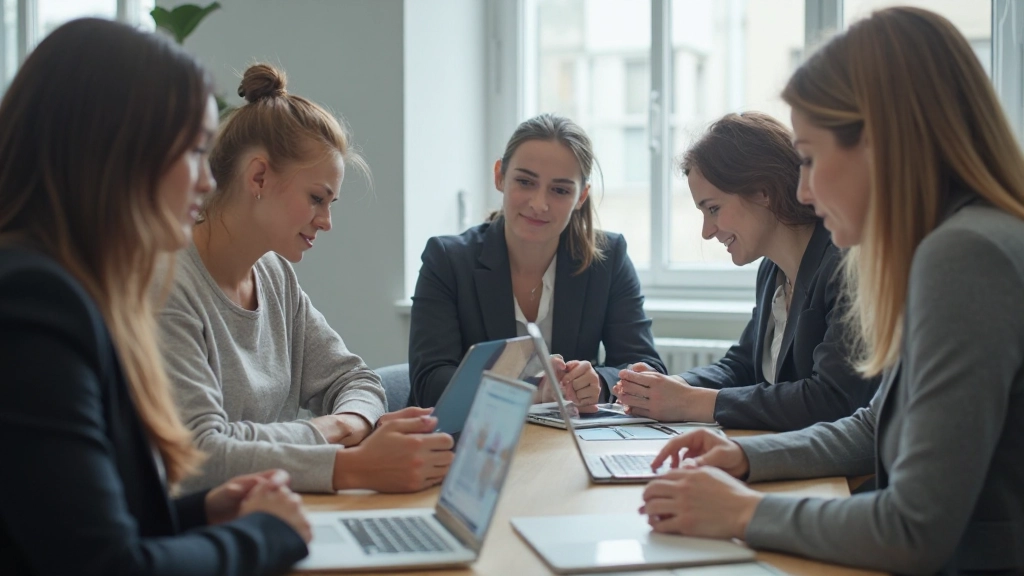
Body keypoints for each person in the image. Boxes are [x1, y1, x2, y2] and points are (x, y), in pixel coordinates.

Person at [641, 7, 1024, 574]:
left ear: (882, 142)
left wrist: (742, 513)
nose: (801, 189)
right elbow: (875, 423)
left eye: (809, 159)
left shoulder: (964, 255)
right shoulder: (956, 242)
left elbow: (912, 529)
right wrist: (745, 455)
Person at [0, 19, 310, 575]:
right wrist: (266, 533)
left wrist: (196, 513)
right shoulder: (33, 303)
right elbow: (105, 567)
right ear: (115, 149)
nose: (207, 182)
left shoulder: (68, 290)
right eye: (194, 150)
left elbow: (71, 523)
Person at [157, 63, 454, 495]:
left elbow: (356, 381)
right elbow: (203, 454)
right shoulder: (168, 285)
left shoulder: (275, 276)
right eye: (317, 198)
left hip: (278, 509)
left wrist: (345, 421)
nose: (327, 221)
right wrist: (335, 447)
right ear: (258, 177)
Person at [614, 112, 877, 431]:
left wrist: (687, 402)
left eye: (713, 209)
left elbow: (832, 400)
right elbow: (741, 366)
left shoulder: (844, 263)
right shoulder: (772, 270)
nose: (706, 232)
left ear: (763, 192)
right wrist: (667, 387)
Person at [409, 113, 665, 409]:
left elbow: (648, 368)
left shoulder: (608, 259)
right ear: (499, 177)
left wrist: (599, 384)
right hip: (468, 444)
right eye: (525, 182)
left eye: (559, 190)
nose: (538, 204)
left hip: (567, 445)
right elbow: (430, 384)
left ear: (581, 197)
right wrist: (530, 390)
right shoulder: (447, 260)